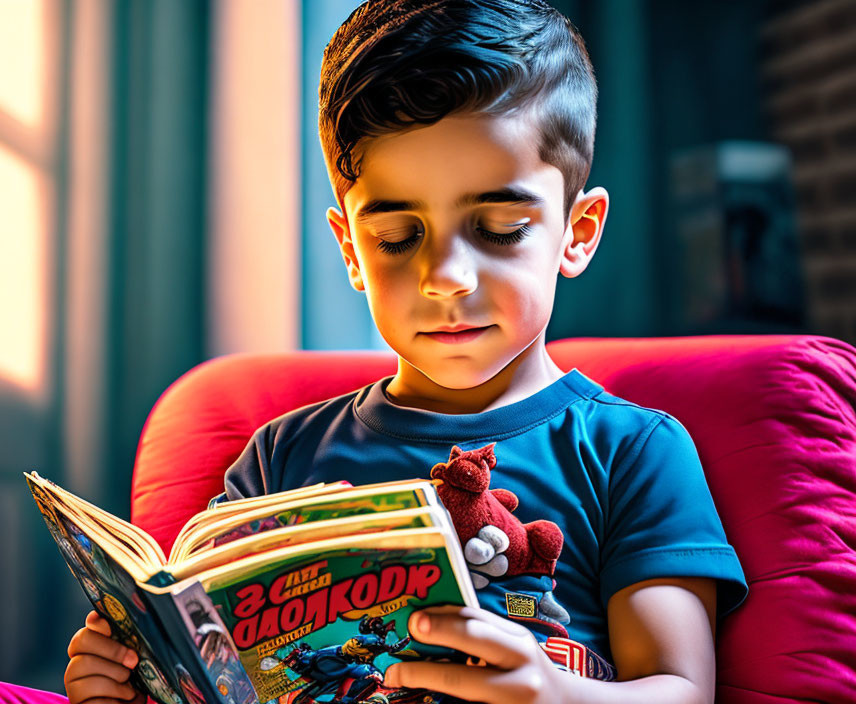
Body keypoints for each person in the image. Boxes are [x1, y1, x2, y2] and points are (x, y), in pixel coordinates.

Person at [65, 1, 748, 703]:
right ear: (352, 250)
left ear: (577, 232)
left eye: (500, 228)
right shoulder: (280, 457)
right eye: (397, 238)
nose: (445, 277)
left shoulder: (631, 450)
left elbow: (680, 690)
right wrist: (131, 680)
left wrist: (556, 694)